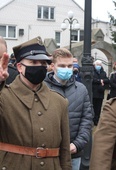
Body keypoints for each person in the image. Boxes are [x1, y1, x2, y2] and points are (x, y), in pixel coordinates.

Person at [0, 37, 71, 170]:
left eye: (43, 63)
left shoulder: (59, 102)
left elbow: (65, 151)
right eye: (33, 62)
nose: (39, 66)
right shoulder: (4, 96)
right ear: (20, 67)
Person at [44, 48, 93, 170]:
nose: (66, 69)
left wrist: (77, 144)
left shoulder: (81, 89)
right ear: (52, 66)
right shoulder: (42, 88)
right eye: (62, 65)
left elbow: (87, 119)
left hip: (73, 153)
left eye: (69, 65)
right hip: (48, 152)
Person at [92, 60, 109, 126]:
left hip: (100, 92)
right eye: (97, 64)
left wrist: (103, 80)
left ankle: (97, 119)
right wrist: (100, 81)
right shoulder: (92, 72)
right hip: (94, 92)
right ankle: (93, 119)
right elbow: (92, 79)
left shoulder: (103, 72)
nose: (98, 66)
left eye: (99, 64)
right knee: (93, 106)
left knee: (99, 107)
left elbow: (107, 80)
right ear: (95, 65)